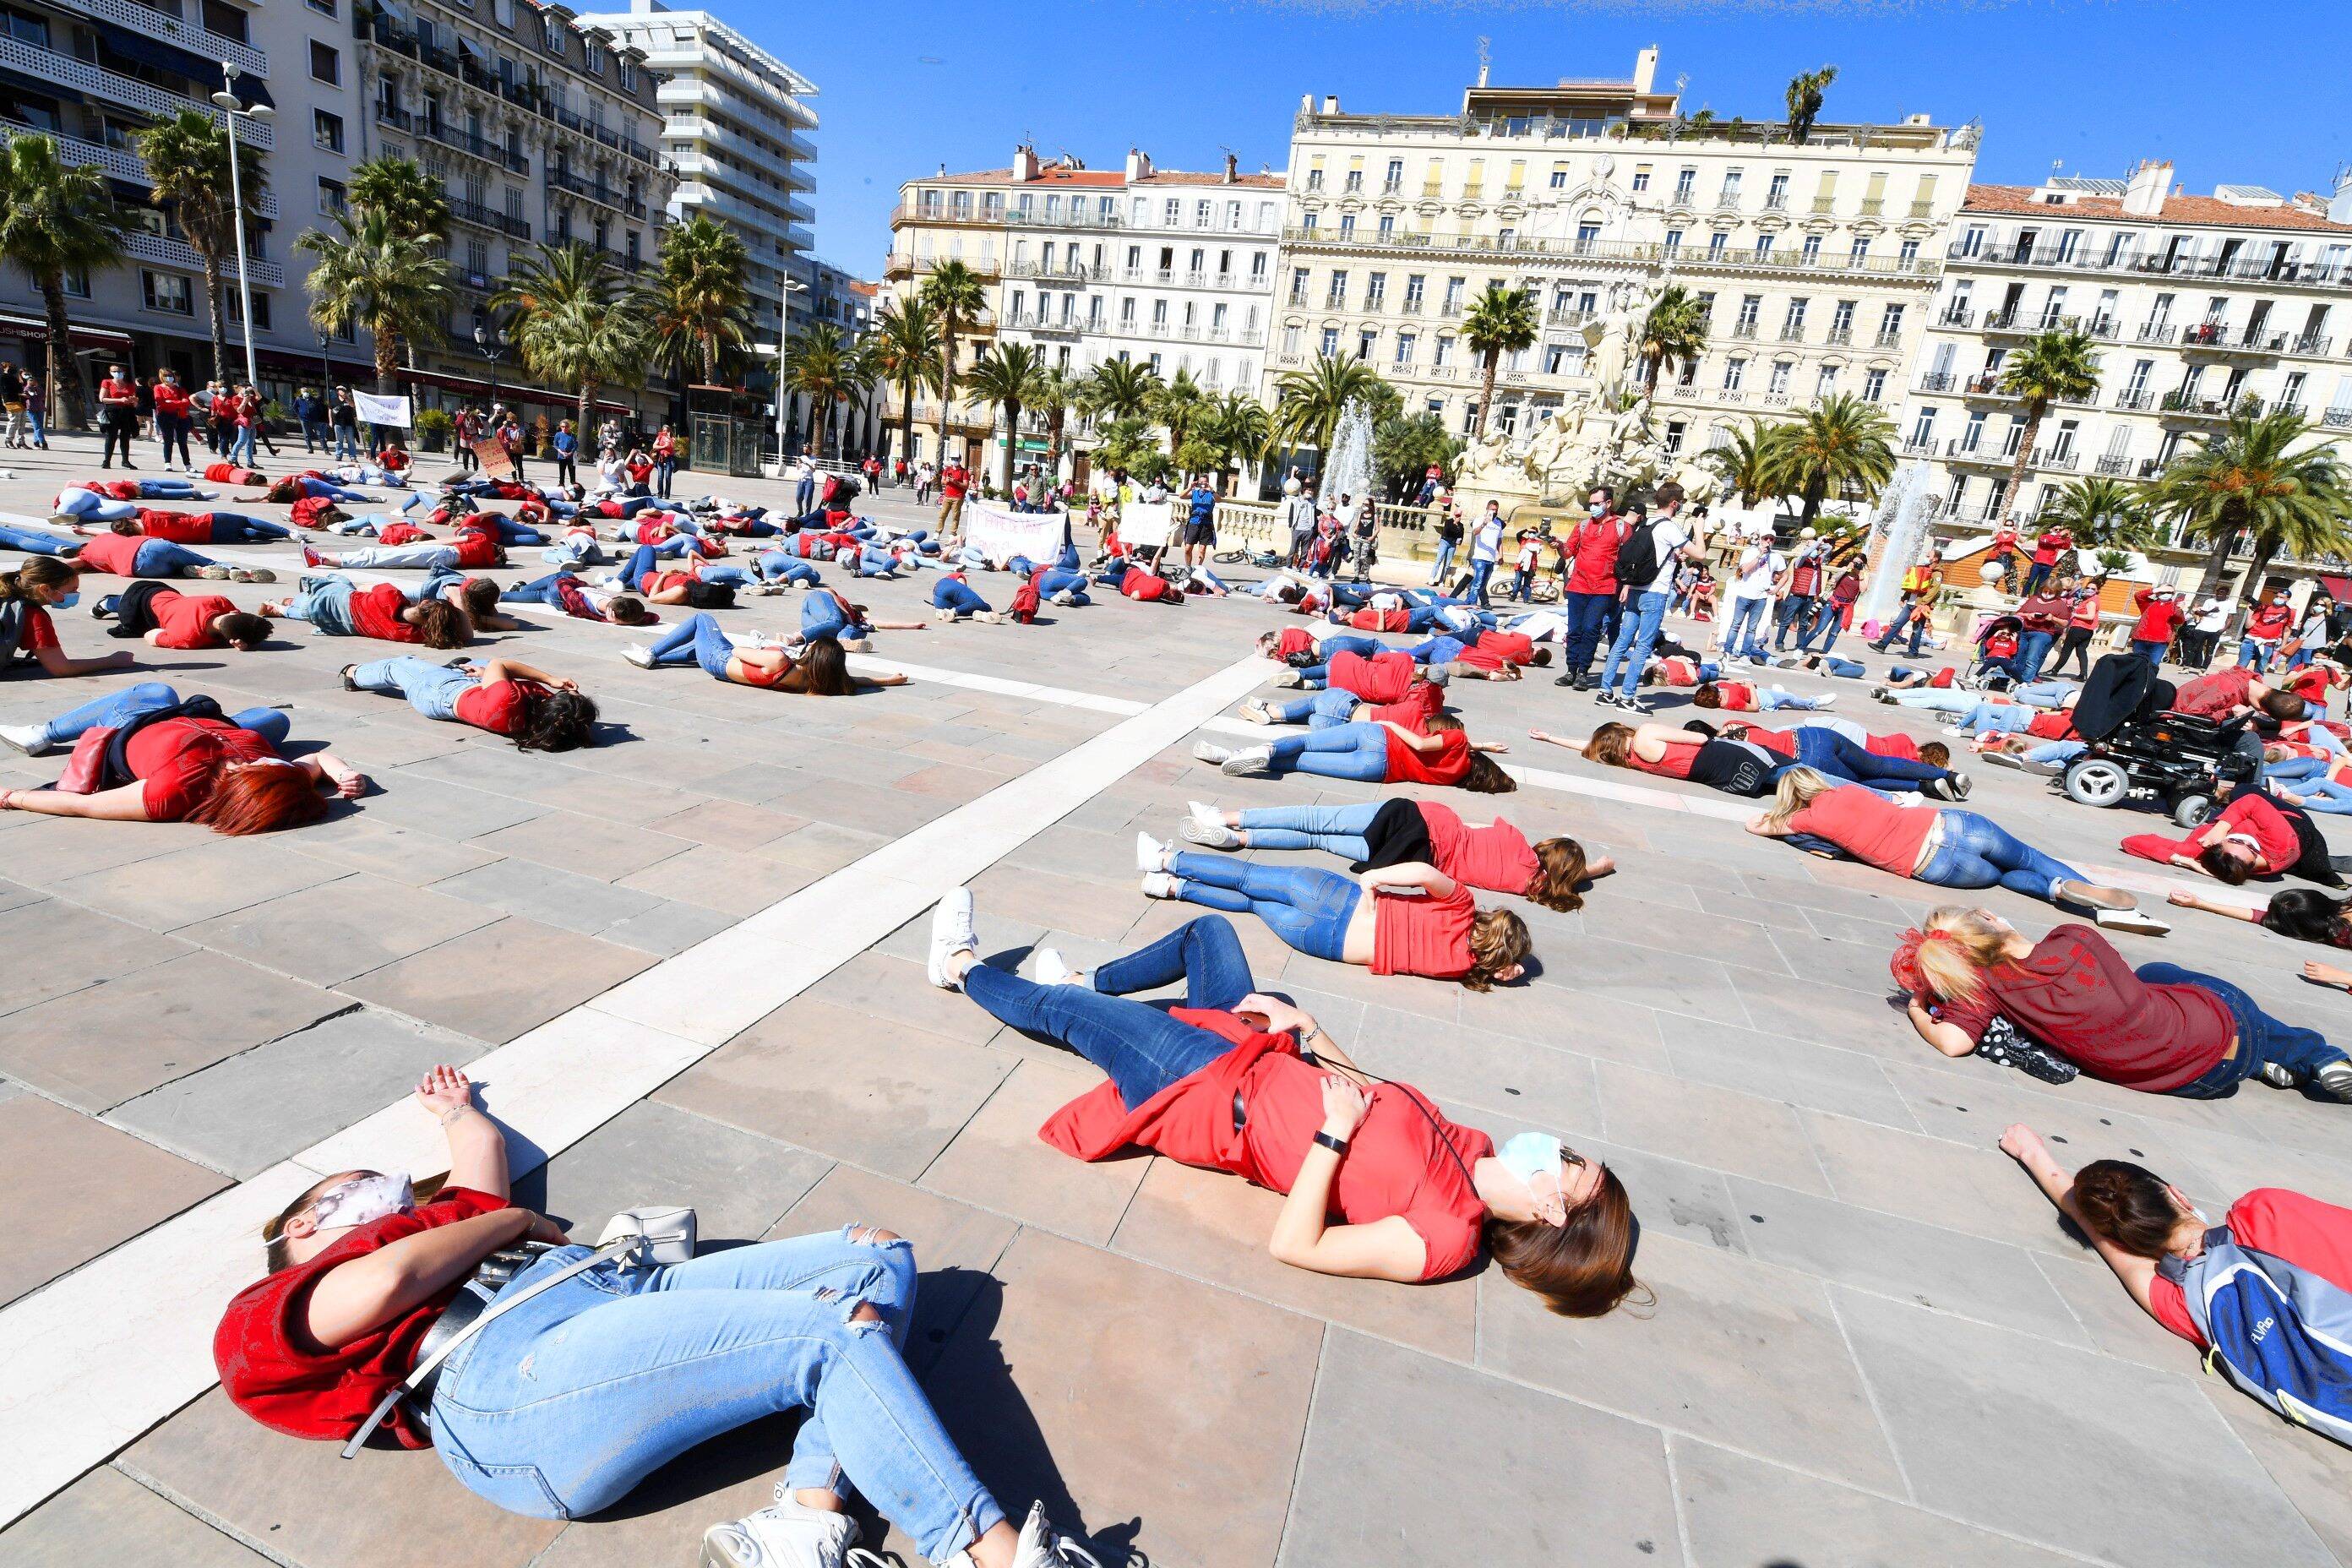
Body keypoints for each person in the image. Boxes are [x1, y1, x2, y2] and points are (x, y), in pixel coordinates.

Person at [215, 1069, 1096, 1567]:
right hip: (500, 1382)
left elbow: (477, 1167)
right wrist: (516, 1221)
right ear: (303, 1224)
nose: (389, 1188)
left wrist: (459, 1114)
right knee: (832, 1329)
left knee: (875, 1258)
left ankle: (803, 1523)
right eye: (355, 1187)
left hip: (606, 1294)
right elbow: (380, 1288)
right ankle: (994, 1552)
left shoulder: (445, 1220)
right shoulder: (269, 1304)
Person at [926, 893, 1640, 1310]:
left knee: (1062, 1013)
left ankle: (960, 967)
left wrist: (1331, 1137)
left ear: (1551, 1209)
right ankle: (1095, 984)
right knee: (1211, 933)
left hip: (1205, 1090)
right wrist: (1310, 1029)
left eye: (1567, 1161)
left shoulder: (1449, 1236)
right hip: (1260, 1056)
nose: (1556, 1145)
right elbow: (1371, 1095)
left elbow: (1298, 1244)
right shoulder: (1473, 1144)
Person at [1896, 908, 2352, 1100]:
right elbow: (2058, 964)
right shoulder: (2074, 938)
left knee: (2150, 983)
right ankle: (2318, 1055)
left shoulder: (1983, 989)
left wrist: (1919, 1007)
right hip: (2214, 1035)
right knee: (2168, 977)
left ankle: (2267, 1062)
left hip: (2185, 1081)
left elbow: (1954, 1043)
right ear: (1992, 921)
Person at [1747, 768, 2167, 929]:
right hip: (1950, 824)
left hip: (1937, 866)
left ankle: (2055, 890)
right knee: (2030, 857)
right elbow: (1894, 799)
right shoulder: (1851, 793)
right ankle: (2098, 899)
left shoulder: (1802, 820)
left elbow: (1757, 825)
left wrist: (1779, 817)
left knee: (2002, 877)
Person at [1134, 834, 1531, 988]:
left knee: (1250, 875)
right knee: (1254, 904)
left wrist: (1375, 877)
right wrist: (1509, 970)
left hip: (1341, 900)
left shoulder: (1462, 906)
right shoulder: (1462, 969)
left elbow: (1425, 871)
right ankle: (1171, 886)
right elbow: (1493, 971)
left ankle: (1167, 858)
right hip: (1322, 941)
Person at [0, 682, 364, 830]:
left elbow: (86, 806)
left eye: (259, 767)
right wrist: (344, 773)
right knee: (275, 718)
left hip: (137, 725)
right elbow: (317, 758)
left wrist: (14, 798)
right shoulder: (278, 774)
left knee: (158, 689)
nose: (263, 761)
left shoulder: (173, 792)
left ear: (241, 790)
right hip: (219, 725)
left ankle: (43, 733)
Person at [1179, 798, 1611, 912]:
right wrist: (1585, 871)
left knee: (1319, 818)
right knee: (1321, 840)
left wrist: (1592, 861)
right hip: (1410, 856)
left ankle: (1227, 817)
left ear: (1547, 851)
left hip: (1421, 821)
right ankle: (1240, 841)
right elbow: (1571, 875)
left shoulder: (1517, 843)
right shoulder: (1525, 883)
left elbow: (1489, 826)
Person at [1545, 720, 1969, 799]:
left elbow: (1589, 747)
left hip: (1756, 767)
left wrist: (1550, 738)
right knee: (1873, 766)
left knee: (1853, 779)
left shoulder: (1634, 761)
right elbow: (1696, 736)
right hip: (1804, 739)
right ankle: (1939, 777)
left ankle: (1925, 787)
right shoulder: (1648, 734)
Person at [1194, 715, 1516, 792]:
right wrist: (1481, 746)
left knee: (1305, 741)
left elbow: (1421, 745)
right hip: (1375, 769)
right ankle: (1234, 757)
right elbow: (1447, 752)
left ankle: (1254, 750)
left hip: (1379, 737)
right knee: (1301, 761)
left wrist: (1390, 723)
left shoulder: (1457, 737)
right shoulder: (1455, 777)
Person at [1598, 484, 1704, 714]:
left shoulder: (1645, 523)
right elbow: (1701, 554)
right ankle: (1627, 697)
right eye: (1682, 500)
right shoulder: (1670, 527)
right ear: (1674, 503)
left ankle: (1605, 691)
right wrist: (1700, 528)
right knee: (1643, 646)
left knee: (1622, 642)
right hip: (1655, 592)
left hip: (1636, 589)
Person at [344, 656, 596, 751]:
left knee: (397, 665)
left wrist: (549, 678)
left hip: (440, 693)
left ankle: (354, 674)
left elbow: (501, 664)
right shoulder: (539, 724)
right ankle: (466, 667)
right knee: (479, 662)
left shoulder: (509, 699)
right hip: (475, 694)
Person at [623, 612, 911, 694]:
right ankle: (658, 658)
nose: (807, 648)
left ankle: (651, 652)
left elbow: (735, 650)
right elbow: (856, 680)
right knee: (699, 648)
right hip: (721, 668)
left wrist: (765, 647)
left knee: (702, 621)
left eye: (811, 648)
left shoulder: (780, 660)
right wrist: (888, 680)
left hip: (722, 661)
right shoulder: (819, 682)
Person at [0, 557, 135, 678]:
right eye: (72, 590)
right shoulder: (33, 615)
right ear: (45, 589)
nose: (76, 594)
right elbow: (61, 668)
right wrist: (112, 661)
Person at [261, 575, 471, 649]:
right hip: (338, 623)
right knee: (311, 611)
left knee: (340, 583)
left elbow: (364, 588)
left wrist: (455, 596)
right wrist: (459, 603)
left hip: (336, 600)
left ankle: (288, 603)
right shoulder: (414, 635)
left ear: (423, 602)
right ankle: (281, 608)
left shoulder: (391, 595)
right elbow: (467, 635)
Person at [1552, 490, 1622, 690]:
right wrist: (1558, 545)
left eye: (1596, 502)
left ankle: (1583, 671)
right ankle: (1571, 670)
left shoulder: (1621, 527)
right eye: (1590, 503)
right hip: (1578, 585)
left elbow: (1627, 556)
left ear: (1608, 503)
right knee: (1574, 630)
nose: (1592, 506)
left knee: (1591, 628)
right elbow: (1568, 552)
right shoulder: (1582, 525)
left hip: (1605, 587)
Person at [89, 582, 272, 651]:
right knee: (121, 608)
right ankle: (106, 603)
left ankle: (111, 602)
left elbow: (234, 621)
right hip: (137, 609)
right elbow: (149, 636)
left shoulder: (219, 601)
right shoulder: (189, 639)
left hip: (161, 589)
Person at [1718, 530, 1780, 666]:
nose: (1768, 541)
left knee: (1752, 628)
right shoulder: (1750, 552)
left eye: (1771, 539)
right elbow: (1744, 570)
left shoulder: (1776, 557)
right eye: (1766, 538)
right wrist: (1760, 556)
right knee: (1736, 625)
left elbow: (1784, 574)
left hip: (1761, 597)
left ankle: (1745, 655)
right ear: (1760, 539)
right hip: (1745, 594)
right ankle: (1727, 652)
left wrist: (1777, 588)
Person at [1869, 555, 1942, 656]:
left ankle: (1913, 652)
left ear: (1935, 559)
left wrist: (1924, 602)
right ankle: (1882, 645)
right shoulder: (1921, 568)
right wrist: (1904, 598)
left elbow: (1934, 590)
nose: (1926, 556)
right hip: (1910, 604)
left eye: (1928, 555)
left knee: (1917, 629)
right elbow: (1913, 585)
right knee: (1897, 624)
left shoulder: (1937, 574)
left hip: (1920, 605)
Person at [2127, 585, 2186, 669]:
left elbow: (2179, 621)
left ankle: (2148, 682)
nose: (2166, 594)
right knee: (2136, 665)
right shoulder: (2148, 604)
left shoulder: (2174, 607)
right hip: (2141, 639)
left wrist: (2179, 609)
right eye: (2163, 592)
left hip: (2159, 642)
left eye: (2169, 592)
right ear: (2158, 593)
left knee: (2152, 667)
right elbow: (2138, 595)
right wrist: (2155, 590)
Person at [96, 362, 140, 469]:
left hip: (127, 412)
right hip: (113, 411)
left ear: (124, 373)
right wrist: (119, 400)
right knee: (111, 436)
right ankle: (107, 461)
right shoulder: (107, 382)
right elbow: (102, 399)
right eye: (114, 371)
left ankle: (125, 461)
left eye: (119, 371)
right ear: (110, 372)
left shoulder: (130, 385)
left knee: (125, 437)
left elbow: (135, 402)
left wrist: (134, 400)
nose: (117, 373)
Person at [151, 369, 195, 472]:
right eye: (166, 375)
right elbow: (160, 402)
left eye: (170, 375)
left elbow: (186, 402)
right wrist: (178, 403)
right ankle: (168, 463)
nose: (169, 377)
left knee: (182, 441)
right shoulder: (158, 388)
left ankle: (187, 464)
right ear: (161, 377)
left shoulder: (180, 389)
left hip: (181, 416)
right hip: (165, 416)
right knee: (168, 441)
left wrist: (171, 402)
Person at [1466, 501, 1505, 607]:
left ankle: (1468, 601)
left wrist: (1501, 555)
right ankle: (1473, 604)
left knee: (1483, 584)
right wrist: (1484, 524)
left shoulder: (1498, 523)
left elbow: (1499, 540)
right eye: (1492, 509)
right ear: (1487, 508)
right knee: (1477, 582)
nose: (1494, 512)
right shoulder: (1479, 520)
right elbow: (1475, 532)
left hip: (1491, 558)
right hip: (1479, 556)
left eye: (1496, 510)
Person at [2022, 524, 2072, 598]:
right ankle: (2023, 596)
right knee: (2031, 581)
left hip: (2049, 565)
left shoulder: (2059, 540)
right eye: (2056, 530)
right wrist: (2059, 535)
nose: (2058, 531)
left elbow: (2066, 547)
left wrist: (2067, 537)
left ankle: (2035, 598)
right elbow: (2047, 542)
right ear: (2051, 530)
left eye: (2059, 530)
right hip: (2038, 563)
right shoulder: (2044, 536)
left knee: (2041, 584)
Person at [1182, 473, 1217, 570]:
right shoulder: (1194, 493)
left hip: (1206, 524)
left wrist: (1212, 490)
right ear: (1198, 483)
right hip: (1194, 522)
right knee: (1188, 548)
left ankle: (1197, 569)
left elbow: (1219, 499)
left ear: (1208, 483)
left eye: (1205, 483)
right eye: (1201, 482)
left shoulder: (1211, 494)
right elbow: (1181, 496)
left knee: (1202, 550)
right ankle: (1188, 567)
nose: (1203, 484)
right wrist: (1190, 487)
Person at [1428, 499, 1463, 587]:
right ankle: (1432, 577)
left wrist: (1457, 535)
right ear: (1454, 515)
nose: (1458, 517)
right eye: (1457, 515)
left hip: (1452, 544)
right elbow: (1447, 531)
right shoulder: (1449, 521)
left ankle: (1441, 580)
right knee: (1439, 560)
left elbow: (1460, 535)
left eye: (1459, 515)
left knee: (1447, 564)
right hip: (1445, 541)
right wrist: (1455, 525)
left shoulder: (1461, 526)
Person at [651, 423, 676, 498]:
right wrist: (663, 446)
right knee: (660, 476)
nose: (665, 432)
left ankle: (667, 494)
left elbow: (673, 447)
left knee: (668, 477)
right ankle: (660, 493)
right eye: (664, 430)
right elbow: (654, 446)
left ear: (669, 431)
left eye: (667, 430)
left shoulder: (672, 438)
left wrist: (669, 438)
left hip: (669, 458)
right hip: (661, 458)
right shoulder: (660, 436)